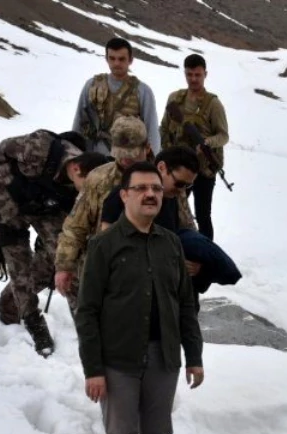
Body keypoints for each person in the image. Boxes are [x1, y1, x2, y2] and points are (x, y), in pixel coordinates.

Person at [75, 162, 204, 434]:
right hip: (118, 362)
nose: (151, 194)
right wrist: (93, 369)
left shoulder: (170, 243)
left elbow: (185, 304)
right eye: (142, 188)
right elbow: (88, 312)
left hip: (164, 358)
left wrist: (194, 355)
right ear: (125, 195)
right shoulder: (104, 246)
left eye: (155, 189)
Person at [0, 129, 108, 355]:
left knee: (67, 259)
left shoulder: (87, 177)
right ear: (75, 169)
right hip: (8, 195)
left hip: (45, 203)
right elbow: (4, 149)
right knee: (18, 261)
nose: (90, 192)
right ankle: (33, 320)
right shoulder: (39, 148)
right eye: (88, 186)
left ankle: (86, 325)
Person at [98, 146, 241, 294]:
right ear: (161, 167)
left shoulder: (171, 199)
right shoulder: (124, 197)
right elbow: (109, 252)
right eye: (179, 183)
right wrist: (168, 263)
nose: (181, 190)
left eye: (187, 185)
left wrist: (193, 267)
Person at [55, 116, 152, 308]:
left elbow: (182, 225)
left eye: (131, 153)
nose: (125, 159)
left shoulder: (159, 179)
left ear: (146, 148)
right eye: (120, 153)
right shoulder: (98, 178)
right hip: (103, 275)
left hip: (147, 277)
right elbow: (75, 225)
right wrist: (64, 265)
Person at [159, 53, 229, 240]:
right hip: (178, 168)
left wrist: (207, 143)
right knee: (171, 209)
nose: (193, 79)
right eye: (189, 74)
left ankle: (205, 255)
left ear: (205, 74)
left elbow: (223, 135)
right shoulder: (175, 98)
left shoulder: (213, 104)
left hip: (203, 169)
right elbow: (164, 128)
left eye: (197, 75)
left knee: (203, 215)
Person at [72, 37, 160, 157]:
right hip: (93, 155)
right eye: (112, 58)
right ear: (106, 59)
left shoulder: (143, 91)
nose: (116, 63)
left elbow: (152, 130)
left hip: (128, 158)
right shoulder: (92, 85)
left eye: (121, 59)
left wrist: (152, 161)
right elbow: (79, 122)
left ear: (130, 60)